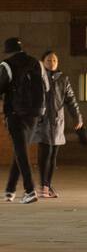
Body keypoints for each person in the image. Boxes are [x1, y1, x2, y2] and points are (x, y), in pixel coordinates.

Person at [0, 37, 48, 203]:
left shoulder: (6, 65)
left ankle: (29, 190)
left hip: (15, 113)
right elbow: (46, 87)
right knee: (21, 150)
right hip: (35, 113)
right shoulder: (36, 63)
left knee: (20, 150)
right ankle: (10, 190)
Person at [33, 50, 87, 197]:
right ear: (43, 62)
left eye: (54, 60)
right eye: (49, 60)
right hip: (42, 122)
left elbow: (71, 100)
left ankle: (47, 186)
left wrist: (78, 118)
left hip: (57, 122)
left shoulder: (63, 79)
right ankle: (44, 186)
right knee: (45, 153)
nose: (52, 63)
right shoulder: (36, 78)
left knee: (53, 156)